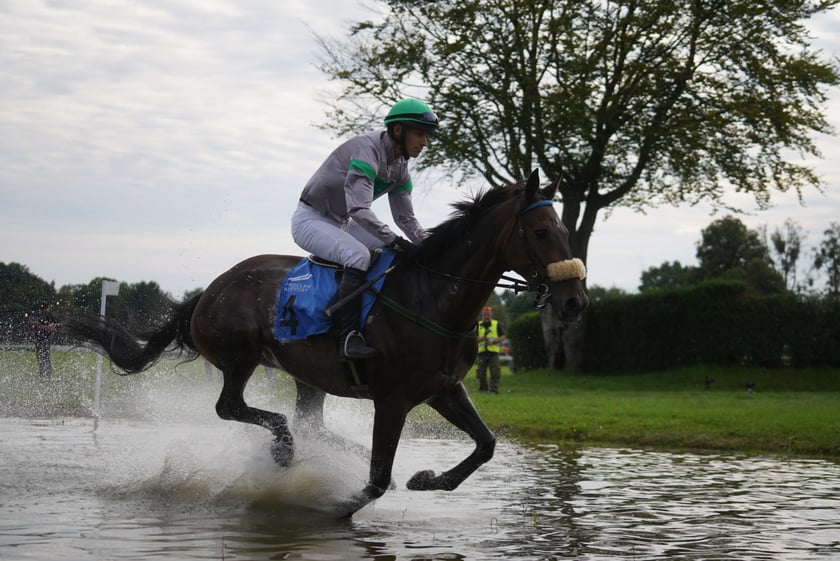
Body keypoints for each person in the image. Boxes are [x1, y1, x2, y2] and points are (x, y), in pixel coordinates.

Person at [291, 99, 439, 360]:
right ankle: (346, 335)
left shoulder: (401, 169)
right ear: (397, 131)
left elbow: (406, 218)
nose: (425, 143)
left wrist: (431, 244)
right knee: (359, 255)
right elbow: (360, 210)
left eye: (427, 135)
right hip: (310, 219)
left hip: (342, 222)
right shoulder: (365, 151)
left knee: (394, 255)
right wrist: (395, 240)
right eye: (419, 134)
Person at [476, 306, 505, 394]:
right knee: (480, 373)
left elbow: (503, 336)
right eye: (485, 314)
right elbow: (474, 339)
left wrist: (494, 341)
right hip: (482, 353)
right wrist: (483, 338)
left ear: (491, 314)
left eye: (488, 314)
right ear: (482, 315)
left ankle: (494, 390)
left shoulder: (496, 324)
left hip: (493, 353)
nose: (486, 316)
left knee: (495, 372)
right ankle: (483, 389)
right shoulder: (478, 325)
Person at [30, 302, 57, 378]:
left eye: (46, 308)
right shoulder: (38, 316)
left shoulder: (50, 316)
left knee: (46, 356)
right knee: (40, 357)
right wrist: (46, 327)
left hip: (46, 339)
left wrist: (44, 326)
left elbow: (53, 326)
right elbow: (34, 324)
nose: (45, 310)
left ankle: (48, 373)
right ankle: (42, 372)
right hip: (38, 339)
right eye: (43, 309)